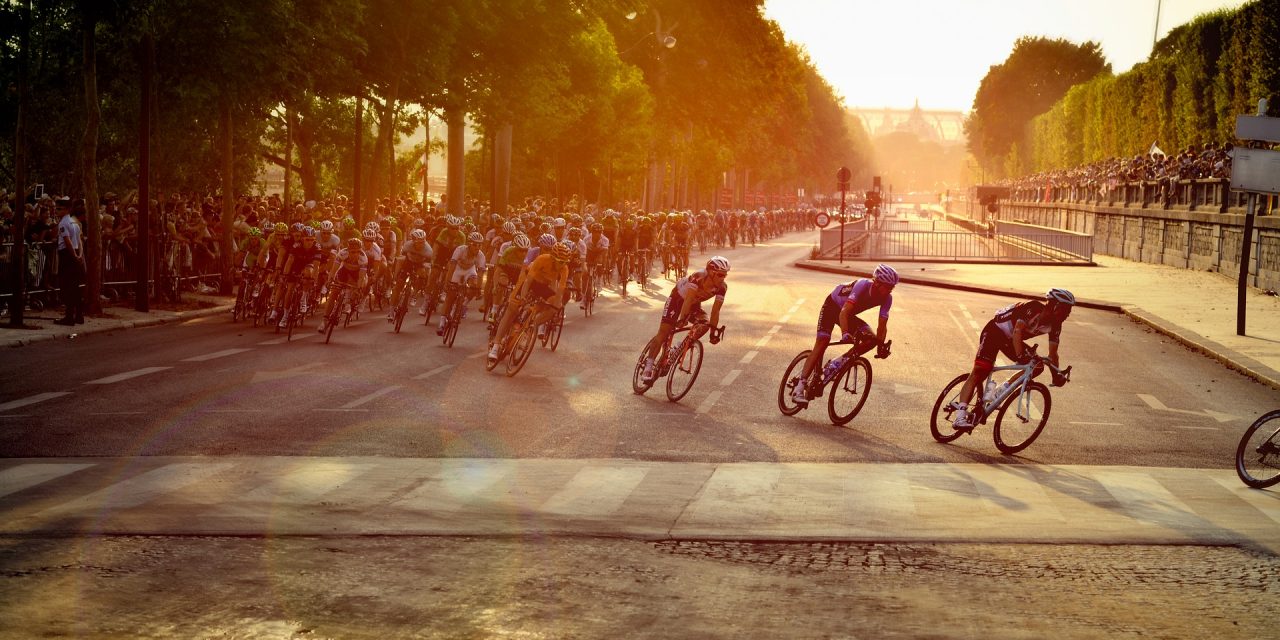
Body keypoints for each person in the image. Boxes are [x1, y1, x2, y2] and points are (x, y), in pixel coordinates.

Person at [947, 288, 1075, 430]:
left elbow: (1053, 354)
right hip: (995, 331)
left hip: (1010, 340)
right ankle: (959, 417)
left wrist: (1055, 374)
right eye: (1066, 309)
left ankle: (1001, 391)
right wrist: (1020, 355)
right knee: (981, 370)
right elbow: (1017, 331)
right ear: (1055, 305)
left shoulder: (1056, 324)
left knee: (1037, 366)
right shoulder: (1034, 307)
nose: (1068, 314)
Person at [791, 264, 897, 406]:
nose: (890, 290)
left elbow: (882, 326)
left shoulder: (887, 298)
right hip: (833, 307)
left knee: (870, 340)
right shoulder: (862, 285)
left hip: (848, 314)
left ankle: (840, 361)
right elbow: (844, 312)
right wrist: (845, 333)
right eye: (888, 286)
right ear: (877, 283)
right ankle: (799, 387)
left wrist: (880, 345)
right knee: (823, 340)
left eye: (892, 287)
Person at [640, 256, 730, 384]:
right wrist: (682, 318)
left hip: (693, 304)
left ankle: (679, 348)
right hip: (678, 299)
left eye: (725, 276)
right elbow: (687, 300)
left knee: (705, 324)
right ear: (711, 272)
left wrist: (713, 332)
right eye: (720, 275)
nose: (722, 279)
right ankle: (648, 367)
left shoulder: (722, 287)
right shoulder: (698, 277)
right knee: (665, 331)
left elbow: (715, 311)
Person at [488, 242, 570, 363]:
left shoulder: (564, 268)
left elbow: (560, 290)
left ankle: (533, 324)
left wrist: (556, 307)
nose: (561, 264)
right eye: (559, 261)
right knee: (513, 309)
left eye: (564, 262)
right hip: (528, 282)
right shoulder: (542, 259)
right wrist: (522, 298)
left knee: (554, 306)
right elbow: (527, 281)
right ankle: (495, 345)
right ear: (553, 258)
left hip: (542, 286)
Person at [54, 197, 84, 325]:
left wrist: (74, 256)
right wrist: (80, 256)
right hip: (75, 254)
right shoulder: (74, 223)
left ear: (67, 209)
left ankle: (69, 317)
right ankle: (79, 315)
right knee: (75, 287)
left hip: (67, 255)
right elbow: (80, 241)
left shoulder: (63, 223)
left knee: (67, 287)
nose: (56, 211)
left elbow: (68, 242)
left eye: (59, 208)